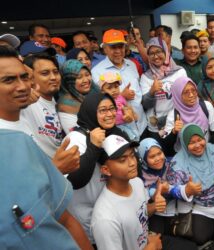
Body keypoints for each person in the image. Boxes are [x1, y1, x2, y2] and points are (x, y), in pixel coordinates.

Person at [0, 45, 92, 250]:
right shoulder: (7, 138)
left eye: (24, 77)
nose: (22, 86)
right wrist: (56, 168)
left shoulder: (23, 133)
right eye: (8, 80)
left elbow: (64, 218)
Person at [91, 134, 197, 250]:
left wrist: (155, 205)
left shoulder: (136, 182)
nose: (132, 163)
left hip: (150, 241)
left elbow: (140, 210)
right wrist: (151, 247)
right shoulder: (105, 219)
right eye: (122, 160)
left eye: (132, 156)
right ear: (106, 170)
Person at [64, 92, 128, 245]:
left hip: (112, 212)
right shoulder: (75, 139)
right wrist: (93, 147)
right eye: (103, 110)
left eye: (112, 108)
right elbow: (74, 181)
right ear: (91, 112)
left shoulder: (113, 132)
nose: (110, 114)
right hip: (85, 218)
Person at [167, 123, 214, 245]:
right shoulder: (177, 163)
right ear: (184, 143)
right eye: (191, 142)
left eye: (200, 140)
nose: (198, 145)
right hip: (200, 208)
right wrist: (186, 190)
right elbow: (169, 189)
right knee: (200, 239)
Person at [92, 29, 147, 138]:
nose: (118, 51)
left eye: (120, 46)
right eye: (113, 47)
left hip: (141, 125)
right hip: (120, 131)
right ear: (105, 49)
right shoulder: (96, 72)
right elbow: (98, 104)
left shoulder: (132, 65)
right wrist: (121, 96)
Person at [140, 37, 186, 151]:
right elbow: (145, 105)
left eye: (159, 51)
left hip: (176, 124)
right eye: (151, 53)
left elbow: (186, 97)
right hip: (155, 127)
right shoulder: (146, 77)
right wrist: (152, 91)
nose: (155, 56)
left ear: (166, 51)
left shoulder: (180, 72)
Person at [163, 76, 214, 153]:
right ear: (178, 95)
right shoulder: (173, 116)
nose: (191, 95)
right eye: (186, 92)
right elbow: (166, 145)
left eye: (193, 90)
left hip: (206, 152)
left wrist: (207, 152)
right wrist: (174, 132)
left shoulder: (206, 106)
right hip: (184, 158)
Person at [139, 138, 176, 235]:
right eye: (152, 156)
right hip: (155, 212)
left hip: (175, 207)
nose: (158, 158)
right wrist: (155, 193)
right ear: (143, 159)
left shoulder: (172, 163)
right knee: (157, 235)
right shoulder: (140, 176)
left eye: (159, 153)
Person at [99, 71, 139, 141]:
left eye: (116, 87)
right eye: (109, 88)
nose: (114, 90)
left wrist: (134, 115)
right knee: (127, 139)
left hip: (127, 123)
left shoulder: (120, 97)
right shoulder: (104, 102)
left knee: (135, 136)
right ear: (102, 91)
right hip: (115, 127)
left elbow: (127, 107)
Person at [57, 59, 95, 134]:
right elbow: (75, 135)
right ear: (69, 80)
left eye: (87, 75)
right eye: (79, 77)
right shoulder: (66, 106)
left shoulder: (94, 91)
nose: (86, 80)